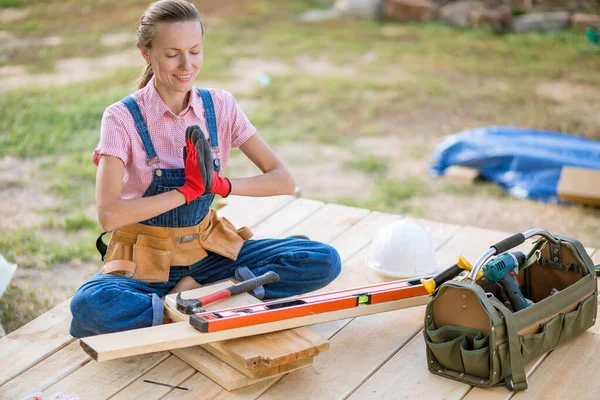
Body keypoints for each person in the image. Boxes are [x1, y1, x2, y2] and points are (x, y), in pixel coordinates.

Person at [69, 0, 341, 338]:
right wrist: (184, 192)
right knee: (90, 305)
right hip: (146, 261)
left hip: (208, 252)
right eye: (172, 54)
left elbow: (283, 180)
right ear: (146, 53)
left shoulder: (220, 106)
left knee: (321, 259)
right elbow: (109, 215)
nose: (187, 65)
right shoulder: (121, 118)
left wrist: (220, 185)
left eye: (195, 51)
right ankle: (203, 301)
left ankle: (187, 296)